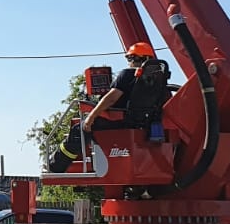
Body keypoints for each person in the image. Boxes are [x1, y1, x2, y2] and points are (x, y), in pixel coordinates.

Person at [47, 42, 173, 173]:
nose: (129, 62)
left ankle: (55, 166)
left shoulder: (127, 75)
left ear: (136, 59)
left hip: (118, 121)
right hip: (144, 123)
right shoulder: (158, 81)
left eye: (130, 58)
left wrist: (91, 117)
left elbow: (112, 97)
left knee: (79, 130)